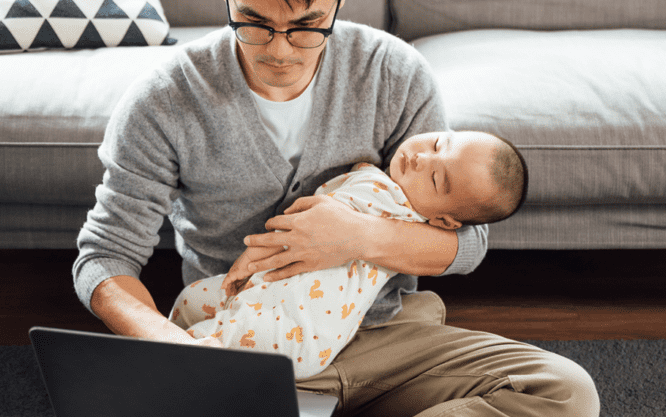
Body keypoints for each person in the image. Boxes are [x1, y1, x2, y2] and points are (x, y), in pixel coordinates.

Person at [73, 0, 599, 417]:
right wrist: (172, 349)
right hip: (252, 358)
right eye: (255, 23)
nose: (281, 52)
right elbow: (103, 259)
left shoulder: (395, 75)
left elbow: (468, 242)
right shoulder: (164, 102)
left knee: (566, 399)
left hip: (388, 341)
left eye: (308, 25)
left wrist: (359, 237)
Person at [171, 130, 527, 379]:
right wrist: (252, 259)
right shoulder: (372, 178)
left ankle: (172, 378)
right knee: (191, 300)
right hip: (264, 288)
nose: (421, 158)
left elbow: (472, 244)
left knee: (206, 345)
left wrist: (360, 235)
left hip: (296, 331)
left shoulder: (404, 213)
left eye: (436, 179)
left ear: (443, 220)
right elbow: (299, 226)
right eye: (436, 143)